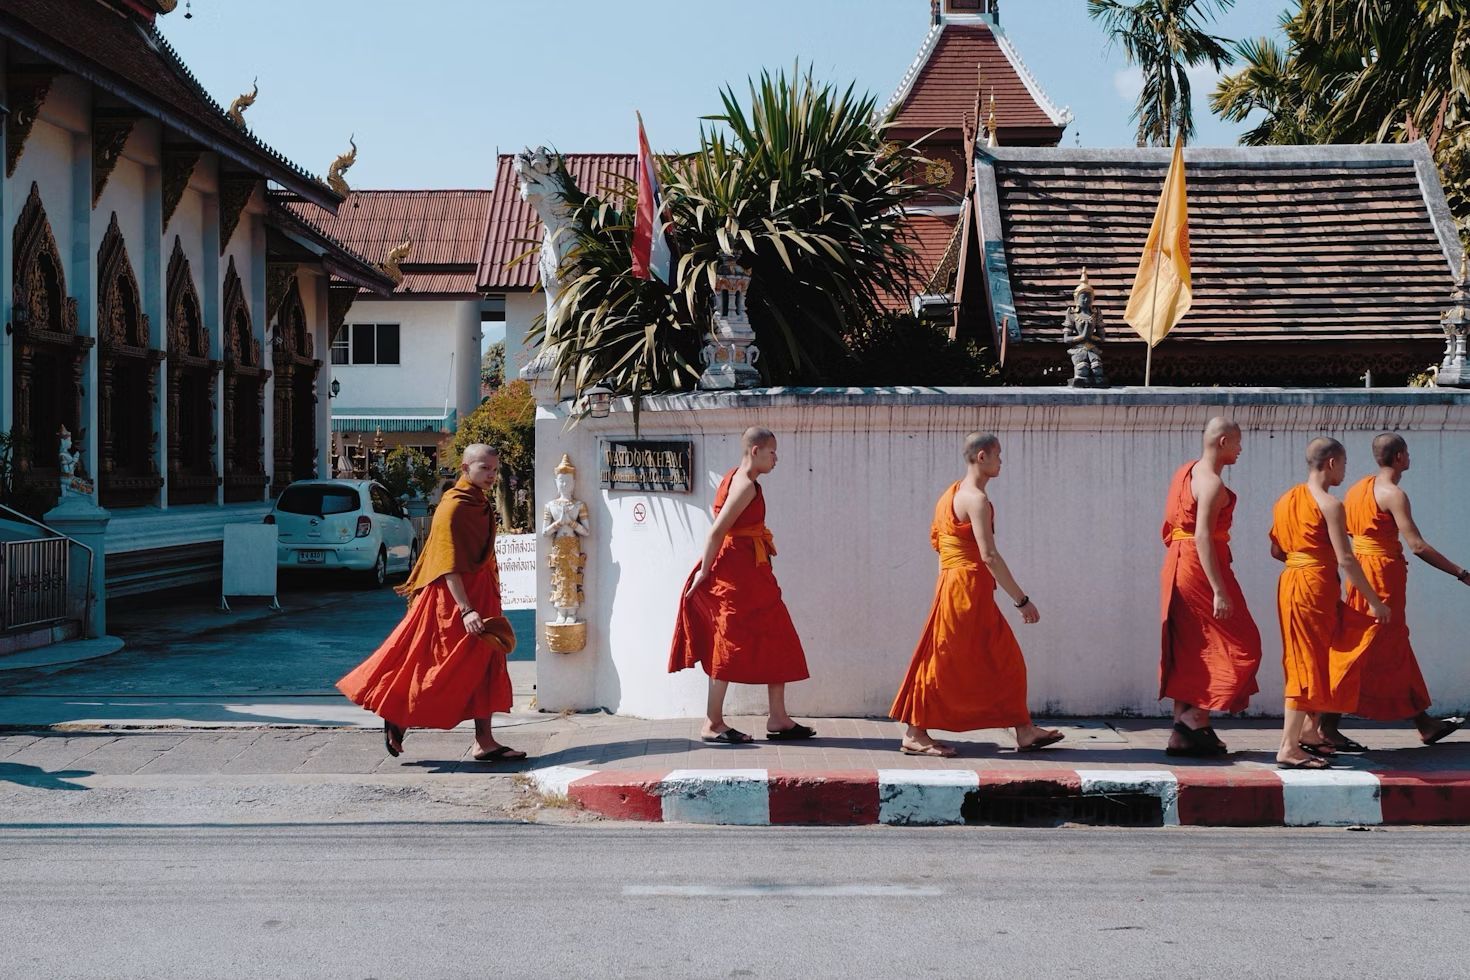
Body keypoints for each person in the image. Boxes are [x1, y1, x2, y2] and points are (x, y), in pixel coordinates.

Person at [337, 443, 523, 762]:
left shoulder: (477, 500)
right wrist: (466, 609)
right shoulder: (454, 506)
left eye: (494, 469)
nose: (491, 475)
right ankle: (398, 714)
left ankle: (485, 741)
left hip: (481, 595)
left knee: (486, 665)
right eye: (484, 468)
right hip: (455, 602)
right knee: (445, 669)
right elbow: (449, 563)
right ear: (465, 469)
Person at [889, 432, 1063, 757]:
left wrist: (951, 585)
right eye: (998, 455)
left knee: (1001, 659)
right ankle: (914, 732)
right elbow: (990, 556)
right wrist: (1022, 600)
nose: (1002, 462)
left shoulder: (950, 494)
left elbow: (942, 547)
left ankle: (1024, 729)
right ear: (981, 457)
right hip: (967, 589)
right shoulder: (977, 500)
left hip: (955, 585)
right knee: (946, 659)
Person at [1316, 433, 1466, 750]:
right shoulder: (1393, 494)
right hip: (1381, 578)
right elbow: (1417, 545)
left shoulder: (1357, 489)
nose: (1409, 458)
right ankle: (1325, 724)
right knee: (1360, 647)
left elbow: (1347, 532)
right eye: (1407, 453)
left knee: (1393, 646)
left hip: (1364, 571)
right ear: (1398, 457)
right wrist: (1460, 573)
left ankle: (1424, 723)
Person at [669, 427, 813, 744]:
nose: (776, 458)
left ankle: (778, 717)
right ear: (755, 451)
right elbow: (717, 530)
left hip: (751, 572)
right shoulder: (746, 485)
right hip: (736, 574)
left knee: (777, 634)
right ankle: (713, 722)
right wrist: (704, 572)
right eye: (772, 452)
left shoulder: (734, 476)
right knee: (729, 640)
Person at [1268, 437, 1390, 770]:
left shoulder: (1285, 500)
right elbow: (1346, 559)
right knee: (1305, 662)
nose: (1345, 471)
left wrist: (1304, 561)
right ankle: (1288, 747)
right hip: (1314, 586)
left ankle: (1309, 732)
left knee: (1316, 656)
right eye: (1345, 464)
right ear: (1332, 463)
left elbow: (1277, 551)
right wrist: (1374, 602)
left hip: (1292, 581)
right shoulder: (1330, 504)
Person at [1158, 418, 1263, 757]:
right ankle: (1194, 716)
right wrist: (1219, 589)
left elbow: (1172, 525)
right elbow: (1202, 534)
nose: (1241, 449)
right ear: (1221, 442)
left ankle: (1181, 734)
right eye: (1237, 442)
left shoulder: (1184, 471)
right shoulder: (1212, 483)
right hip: (1201, 566)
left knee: (1191, 645)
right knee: (1244, 644)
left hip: (1178, 563)